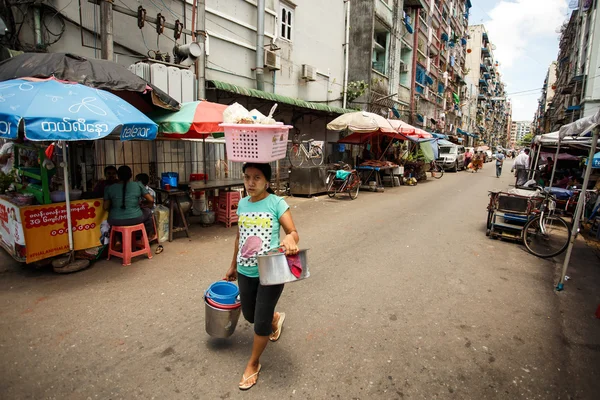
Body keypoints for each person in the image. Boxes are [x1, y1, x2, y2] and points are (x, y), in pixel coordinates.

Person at [224, 162, 299, 391]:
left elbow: (293, 232)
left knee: (260, 323)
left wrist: (290, 240)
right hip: (245, 269)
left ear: (267, 181)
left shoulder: (276, 203)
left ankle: (253, 363)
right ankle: (275, 318)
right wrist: (232, 265)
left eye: (257, 177)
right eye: (247, 177)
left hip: (272, 272)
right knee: (249, 315)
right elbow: (240, 236)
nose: (250, 183)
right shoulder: (243, 204)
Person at [103, 166, 155, 243]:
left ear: (118, 175)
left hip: (115, 220)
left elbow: (105, 207)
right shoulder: (138, 185)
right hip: (136, 218)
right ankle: (147, 236)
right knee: (148, 211)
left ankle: (118, 239)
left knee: (112, 218)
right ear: (131, 175)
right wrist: (144, 205)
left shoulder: (109, 188)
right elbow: (151, 199)